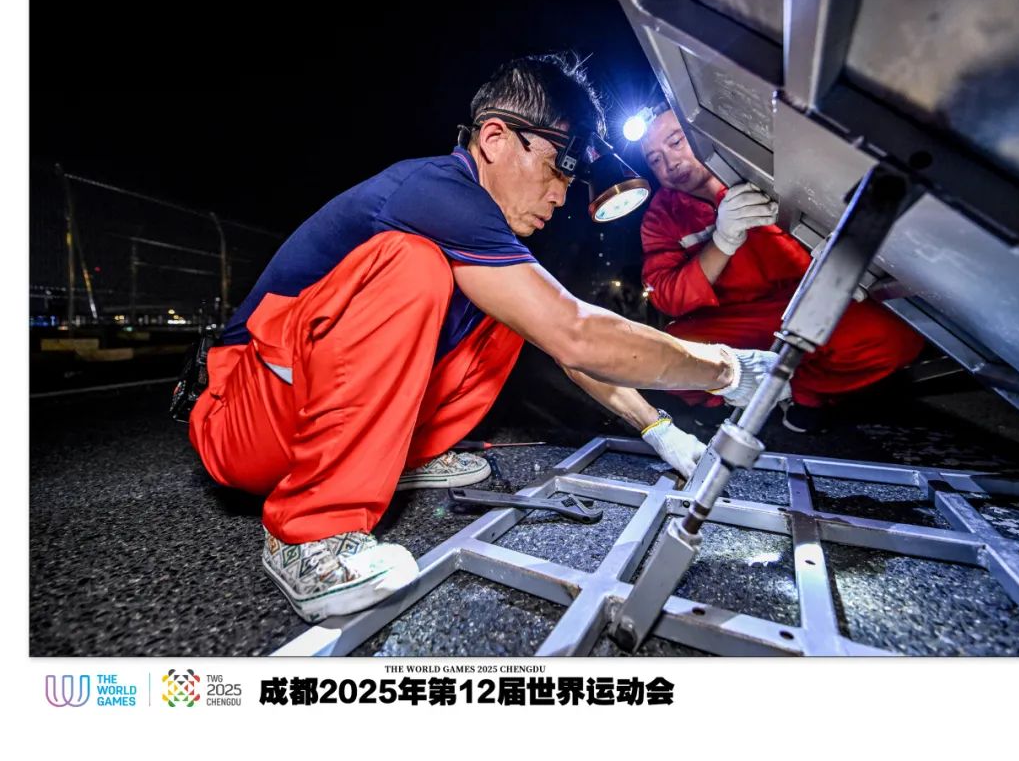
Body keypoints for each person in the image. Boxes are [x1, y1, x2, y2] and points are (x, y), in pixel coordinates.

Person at [187, 55, 783, 624]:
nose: (562, 195)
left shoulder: (477, 230)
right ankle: (309, 535)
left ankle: (402, 457)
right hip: (242, 421)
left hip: (297, 414)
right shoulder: (433, 191)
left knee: (512, 313)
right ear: (495, 138)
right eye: (557, 167)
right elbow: (576, 334)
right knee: (413, 265)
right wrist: (724, 369)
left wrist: (660, 430)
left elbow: (563, 341)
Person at [638, 105, 925, 433]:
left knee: (896, 336)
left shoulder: (760, 162)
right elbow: (666, 295)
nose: (670, 163)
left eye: (676, 142)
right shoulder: (661, 216)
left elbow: (838, 205)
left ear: (697, 131)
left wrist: (849, 260)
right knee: (660, 349)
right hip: (736, 321)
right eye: (655, 160)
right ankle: (718, 398)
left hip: (806, 300)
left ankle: (798, 391)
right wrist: (722, 241)